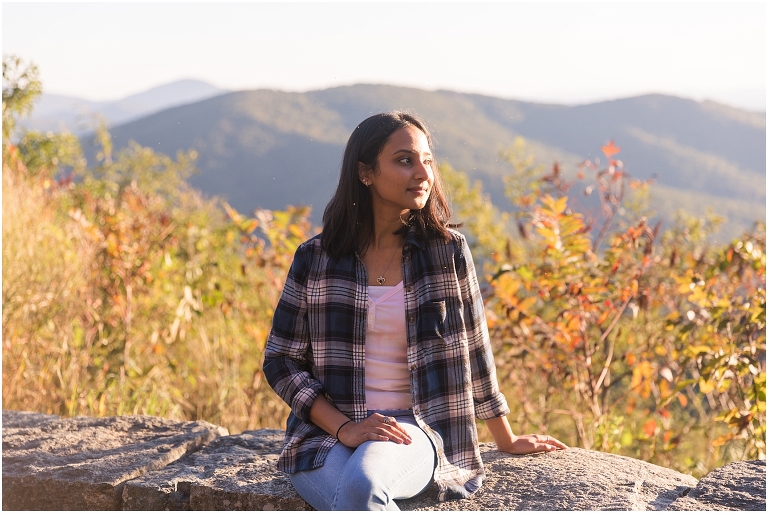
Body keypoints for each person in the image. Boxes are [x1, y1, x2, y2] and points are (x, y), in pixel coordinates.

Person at [263, 111, 567, 511]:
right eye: (404, 160)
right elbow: (281, 361)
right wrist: (347, 428)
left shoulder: (447, 252)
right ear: (366, 173)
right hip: (325, 433)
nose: (422, 172)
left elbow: (476, 349)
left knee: (361, 488)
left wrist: (504, 437)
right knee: (356, 497)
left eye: (427, 159)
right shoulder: (315, 259)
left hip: (417, 426)